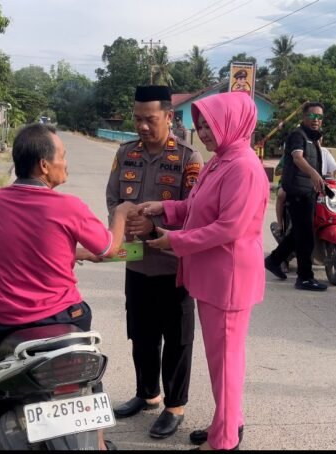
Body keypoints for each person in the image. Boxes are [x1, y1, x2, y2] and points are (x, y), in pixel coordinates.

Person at [0, 124, 136, 450]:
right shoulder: (68, 207)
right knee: (87, 375)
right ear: (44, 165)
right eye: (63, 156)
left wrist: (71, 253)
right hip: (62, 316)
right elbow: (109, 247)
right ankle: (100, 443)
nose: (66, 164)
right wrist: (121, 213)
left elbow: (27, 241)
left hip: (3, 319)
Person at [138, 91, 268, 450]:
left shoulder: (243, 167)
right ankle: (228, 423)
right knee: (222, 361)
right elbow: (196, 205)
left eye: (210, 126)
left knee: (225, 363)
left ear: (232, 124)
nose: (204, 133)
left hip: (228, 279)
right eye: (201, 126)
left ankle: (224, 440)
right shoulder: (221, 160)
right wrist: (164, 208)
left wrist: (174, 241)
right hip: (214, 276)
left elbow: (229, 227)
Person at [105, 85, 203, 439]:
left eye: (150, 119)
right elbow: (113, 197)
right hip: (136, 262)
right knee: (141, 334)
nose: (142, 126)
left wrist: (154, 227)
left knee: (177, 338)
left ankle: (174, 406)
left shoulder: (188, 158)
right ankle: (148, 394)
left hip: (174, 266)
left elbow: (195, 212)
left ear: (169, 116)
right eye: (137, 119)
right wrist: (124, 224)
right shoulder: (125, 153)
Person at [264, 102, 328, 291]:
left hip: (308, 191)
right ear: (304, 117)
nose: (316, 120)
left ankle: (274, 260)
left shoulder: (313, 139)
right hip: (298, 192)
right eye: (313, 116)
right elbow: (298, 158)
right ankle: (305, 278)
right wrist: (314, 174)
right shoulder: (298, 136)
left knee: (297, 233)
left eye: (320, 117)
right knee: (305, 237)